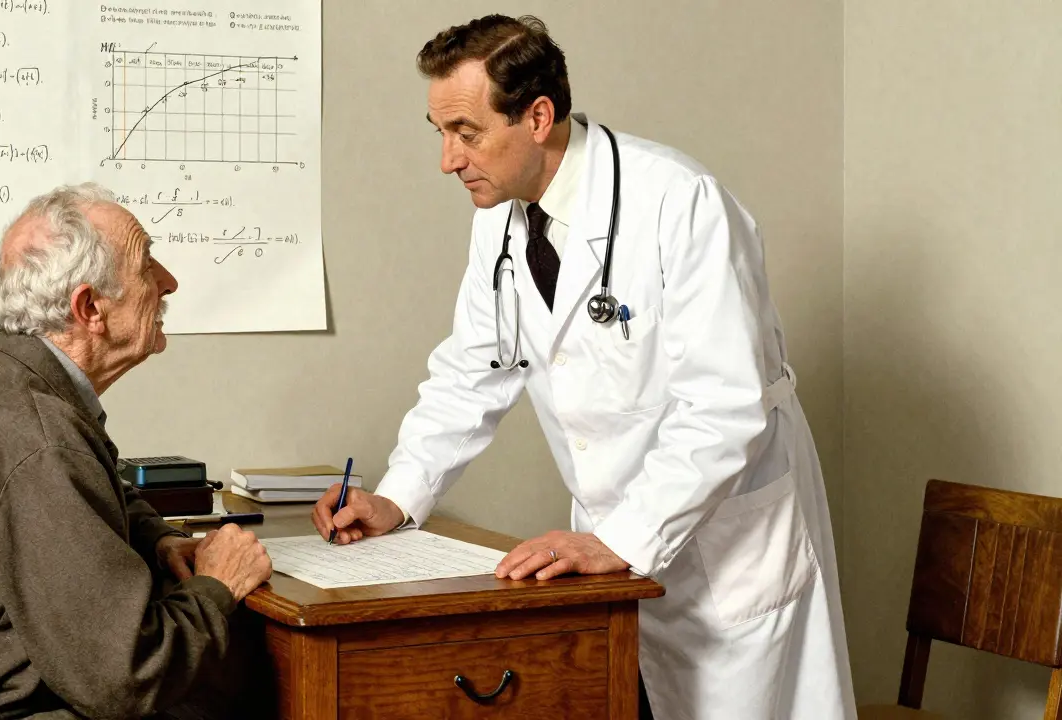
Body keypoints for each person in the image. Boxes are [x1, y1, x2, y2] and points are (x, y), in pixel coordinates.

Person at [312, 14, 856, 720]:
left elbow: (726, 406)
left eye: (466, 132)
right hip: (610, 547)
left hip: (726, 549)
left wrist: (621, 541)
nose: (448, 159)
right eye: (439, 132)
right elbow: (472, 372)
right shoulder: (500, 221)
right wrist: (398, 496)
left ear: (538, 117)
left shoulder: (679, 202)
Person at [0, 183, 272, 719]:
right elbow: (128, 678)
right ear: (89, 307)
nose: (169, 281)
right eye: (147, 265)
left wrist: (159, 538)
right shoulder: (35, 438)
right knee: (247, 684)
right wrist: (218, 584)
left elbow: (89, 495)